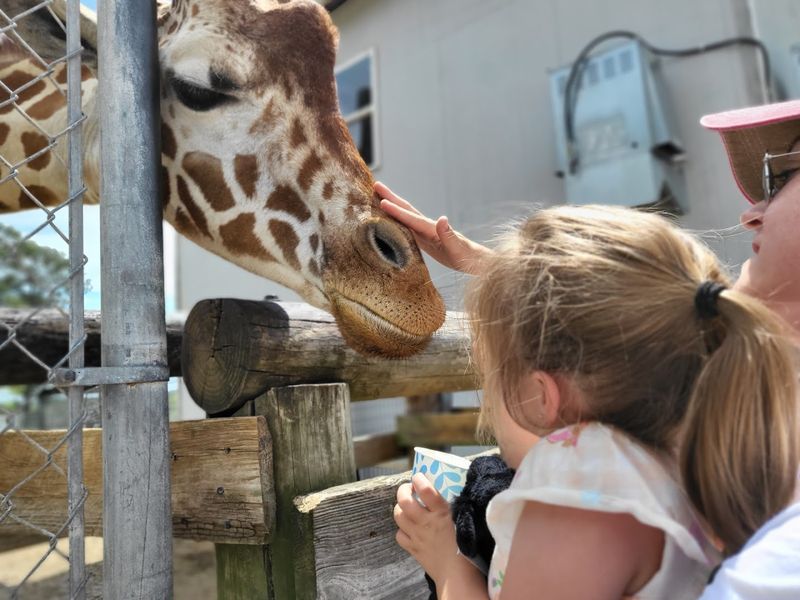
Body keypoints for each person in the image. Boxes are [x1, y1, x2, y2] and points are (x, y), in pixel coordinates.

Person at [387, 199, 798, 599]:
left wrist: (447, 564)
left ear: (543, 396)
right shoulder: (686, 448)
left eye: (491, 378)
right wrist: (507, 279)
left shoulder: (579, 496)